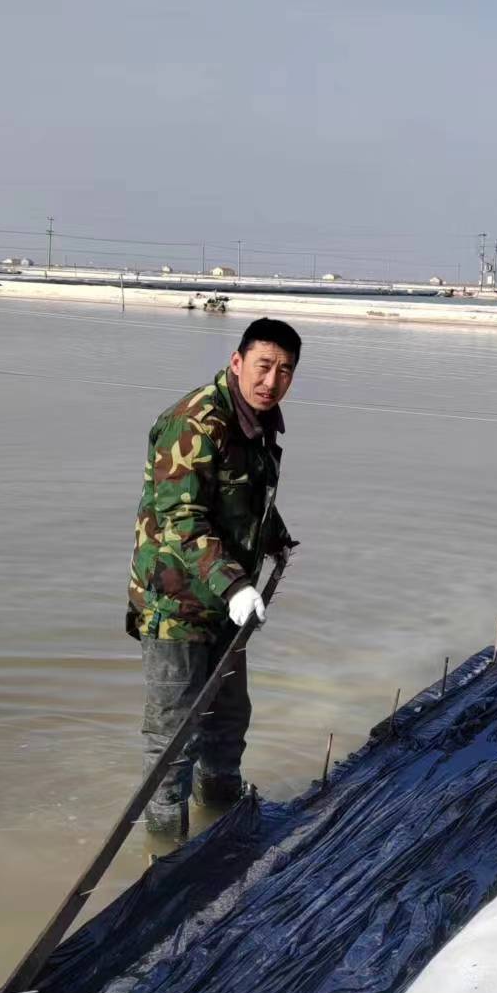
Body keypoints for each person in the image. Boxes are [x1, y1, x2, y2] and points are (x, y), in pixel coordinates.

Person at [127, 318, 300, 836]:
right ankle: (164, 851)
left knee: (227, 722)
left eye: (285, 371)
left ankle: (221, 828)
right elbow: (181, 520)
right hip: (176, 603)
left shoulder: (258, 420)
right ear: (237, 362)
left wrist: (276, 538)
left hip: (226, 601)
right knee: (173, 739)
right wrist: (237, 586)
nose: (271, 381)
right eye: (263, 366)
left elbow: (242, 499)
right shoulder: (195, 422)